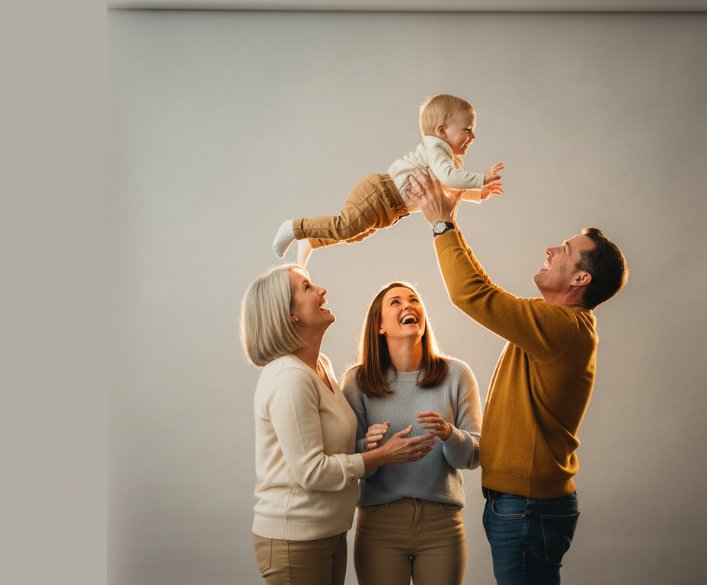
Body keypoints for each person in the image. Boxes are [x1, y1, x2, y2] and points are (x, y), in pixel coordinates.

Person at [406, 168, 629, 585]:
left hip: (528, 508)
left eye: (564, 249)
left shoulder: (561, 328)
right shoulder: (555, 325)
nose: (550, 250)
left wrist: (441, 225)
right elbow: (485, 291)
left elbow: (473, 296)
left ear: (581, 279)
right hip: (524, 507)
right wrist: (450, 223)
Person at [240, 264, 438, 585]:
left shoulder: (321, 366)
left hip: (328, 532)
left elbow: (331, 450)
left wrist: (365, 446)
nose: (322, 290)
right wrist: (382, 456)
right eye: (306, 288)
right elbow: (312, 472)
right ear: (290, 314)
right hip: (295, 540)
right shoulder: (289, 378)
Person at [342, 282, 482, 585]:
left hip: (441, 524)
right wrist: (371, 446)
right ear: (379, 325)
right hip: (380, 524)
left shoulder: (457, 375)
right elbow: (349, 460)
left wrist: (449, 434)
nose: (408, 305)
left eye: (414, 299)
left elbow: (472, 457)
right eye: (395, 302)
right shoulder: (358, 381)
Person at [271, 94, 505, 265]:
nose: (473, 137)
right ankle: (294, 228)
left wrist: (478, 195)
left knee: (355, 234)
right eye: (468, 130)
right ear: (442, 131)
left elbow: (450, 187)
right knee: (346, 226)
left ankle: (312, 240)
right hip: (379, 194)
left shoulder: (450, 160)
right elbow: (449, 178)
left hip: (390, 209)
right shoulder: (437, 147)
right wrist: (481, 179)